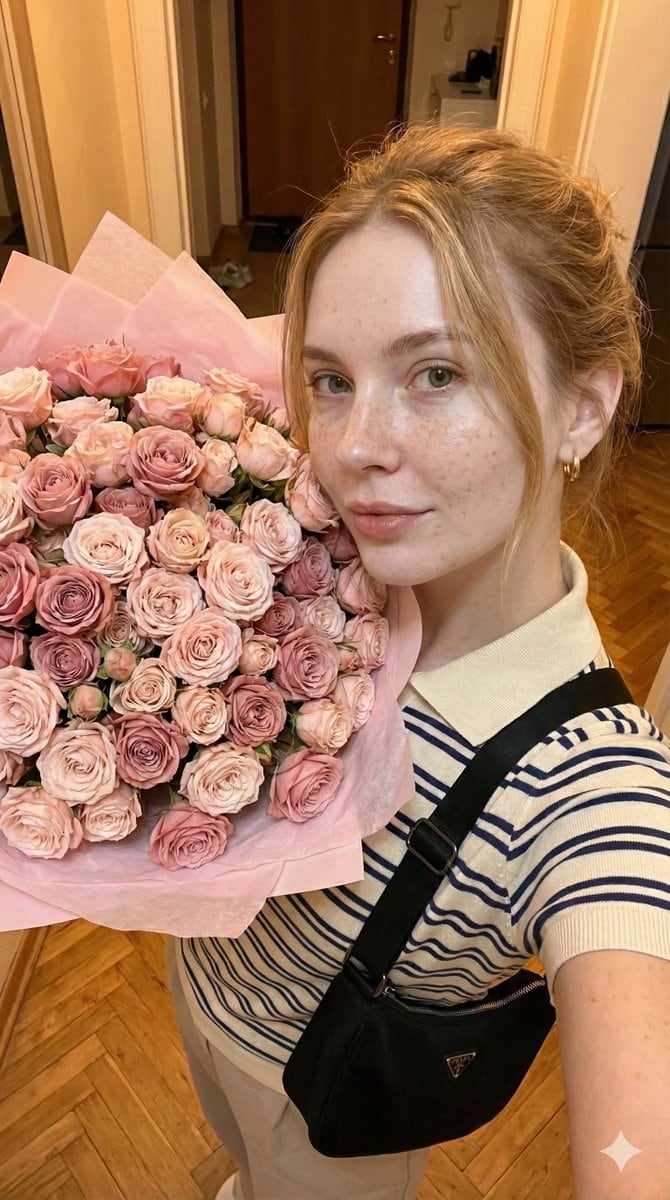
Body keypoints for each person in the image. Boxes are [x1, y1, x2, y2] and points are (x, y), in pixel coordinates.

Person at [166, 125, 670, 1200]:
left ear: (583, 404)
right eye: (332, 381)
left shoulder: (595, 794)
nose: (352, 447)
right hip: (201, 996)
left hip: (331, 1107)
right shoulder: (292, 557)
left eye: (435, 372)